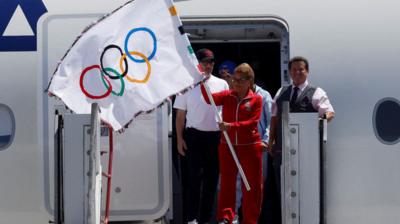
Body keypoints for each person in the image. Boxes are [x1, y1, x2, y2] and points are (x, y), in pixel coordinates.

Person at [267, 56, 335, 223]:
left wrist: (322, 119)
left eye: (301, 69)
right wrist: (271, 142)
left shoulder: (316, 92)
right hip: (283, 149)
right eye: (294, 69)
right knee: (283, 189)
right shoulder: (281, 92)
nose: (297, 72)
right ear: (289, 72)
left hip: (307, 151)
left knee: (306, 188)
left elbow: (329, 113)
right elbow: (274, 118)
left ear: (307, 71)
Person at [201, 63, 263, 224]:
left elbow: (252, 122)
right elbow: (208, 99)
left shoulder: (256, 99)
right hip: (228, 146)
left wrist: (230, 126)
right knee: (227, 183)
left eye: (241, 80)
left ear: (250, 81)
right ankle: (226, 217)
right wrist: (201, 81)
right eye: (235, 79)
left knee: (251, 186)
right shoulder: (228, 95)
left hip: (249, 148)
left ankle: (250, 219)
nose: (237, 83)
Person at [174, 48, 229, 224]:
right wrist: (180, 138)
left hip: (215, 138)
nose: (208, 65)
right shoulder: (186, 85)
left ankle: (205, 219)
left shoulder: (222, 84)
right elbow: (180, 115)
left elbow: (227, 111)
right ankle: (191, 218)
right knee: (194, 180)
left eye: (211, 62)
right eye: (205, 62)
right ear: (197, 63)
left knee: (212, 181)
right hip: (194, 137)